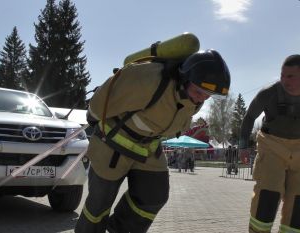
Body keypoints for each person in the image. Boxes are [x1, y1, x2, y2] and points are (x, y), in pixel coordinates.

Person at [75, 49, 231, 233]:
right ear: (185, 78)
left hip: (148, 148)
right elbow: (102, 100)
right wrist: (92, 116)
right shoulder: (148, 79)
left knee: (154, 195)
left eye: (207, 96)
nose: (202, 99)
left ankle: (119, 229)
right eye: (199, 92)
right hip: (112, 145)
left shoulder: (193, 100)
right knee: (98, 205)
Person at [239, 54, 300, 233]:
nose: (284, 80)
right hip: (271, 144)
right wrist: (243, 146)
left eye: (290, 76)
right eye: (282, 75)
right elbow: (249, 116)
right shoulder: (270, 92)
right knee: (268, 195)